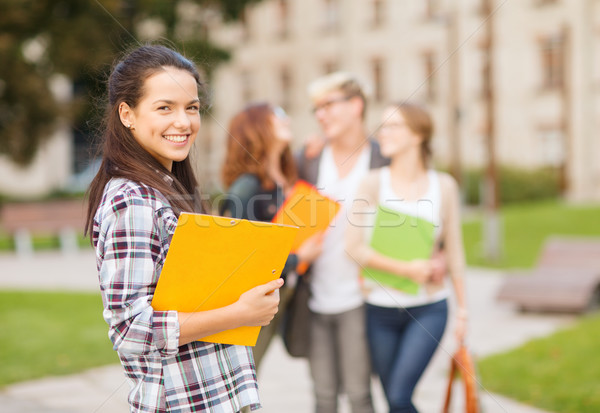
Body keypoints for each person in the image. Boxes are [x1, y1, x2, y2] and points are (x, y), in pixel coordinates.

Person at [85, 44, 284, 413]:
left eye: (191, 107)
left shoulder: (169, 185)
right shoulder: (131, 199)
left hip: (213, 396)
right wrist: (240, 314)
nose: (184, 122)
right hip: (179, 401)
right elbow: (130, 329)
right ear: (127, 114)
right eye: (165, 107)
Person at [346, 102, 468, 413]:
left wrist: (464, 310)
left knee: (399, 397)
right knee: (396, 402)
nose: (381, 133)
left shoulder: (445, 186)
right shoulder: (372, 183)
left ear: (417, 135)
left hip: (429, 310)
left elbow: (455, 252)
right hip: (380, 312)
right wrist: (406, 268)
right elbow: (353, 248)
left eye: (392, 126)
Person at [295, 72, 388, 413]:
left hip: (361, 299)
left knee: (360, 394)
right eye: (316, 109)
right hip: (315, 297)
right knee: (323, 398)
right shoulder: (309, 159)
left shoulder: (382, 158)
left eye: (328, 105)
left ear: (356, 106)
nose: (320, 115)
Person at [219, 102, 322, 369]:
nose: (286, 119)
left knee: (252, 376)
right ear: (257, 128)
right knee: (241, 379)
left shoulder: (281, 178)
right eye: (277, 116)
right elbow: (241, 256)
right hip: (251, 304)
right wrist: (299, 258)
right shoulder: (246, 187)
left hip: (277, 296)